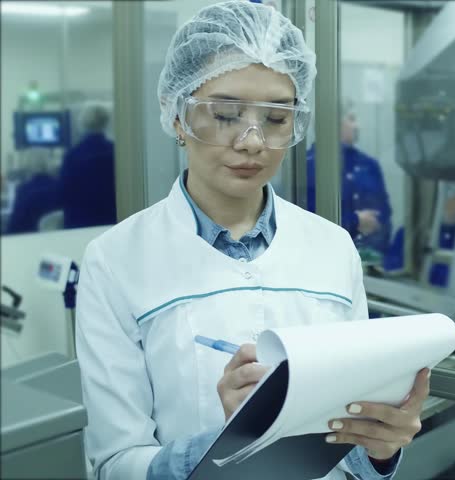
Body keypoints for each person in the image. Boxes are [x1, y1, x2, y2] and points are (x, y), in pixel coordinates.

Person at [75, 3, 426, 479]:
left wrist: (380, 448)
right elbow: (116, 463)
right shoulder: (116, 261)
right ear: (178, 118)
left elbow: (352, 442)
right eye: (224, 114)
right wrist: (229, 445)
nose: (252, 141)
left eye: (277, 119)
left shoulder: (332, 247)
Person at [306, 110, 392, 255]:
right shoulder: (307, 165)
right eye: (351, 119)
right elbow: (307, 219)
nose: (357, 126)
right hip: (324, 255)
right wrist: (356, 221)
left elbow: (385, 211)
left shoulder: (369, 164)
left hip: (370, 258)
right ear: (332, 123)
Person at [59, 104, 116, 228]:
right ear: (106, 123)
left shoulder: (73, 155)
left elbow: (63, 193)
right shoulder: (116, 152)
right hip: (111, 220)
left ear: (82, 123)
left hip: (79, 223)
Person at [5, 153, 61, 234]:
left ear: (28, 166)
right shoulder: (60, 187)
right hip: (59, 239)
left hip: (30, 240)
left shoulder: (24, 190)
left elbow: (14, 227)